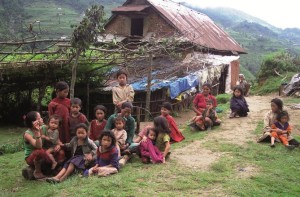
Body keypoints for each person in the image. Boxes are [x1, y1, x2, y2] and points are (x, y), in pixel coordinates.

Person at [23, 111, 53, 179]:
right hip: (31, 157)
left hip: (44, 153)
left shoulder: (44, 127)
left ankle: (51, 169)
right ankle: (37, 171)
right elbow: (39, 146)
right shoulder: (27, 134)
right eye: (39, 118)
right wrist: (37, 132)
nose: (42, 119)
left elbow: (54, 127)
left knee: (59, 152)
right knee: (40, 151)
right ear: (34, 122)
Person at [105, 102, 135, 167]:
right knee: (97, 143)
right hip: (111, 141)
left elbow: (131, 135)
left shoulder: (131, 120)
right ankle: (122, 153)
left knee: (136, 145)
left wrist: (127, 144)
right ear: (121, 109)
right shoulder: (112, 117)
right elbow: (106, 131)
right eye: (125, 111)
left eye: (129, 112)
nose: (126, 114)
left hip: (125, 143)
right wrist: (110, 141)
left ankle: (122, 152)